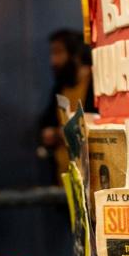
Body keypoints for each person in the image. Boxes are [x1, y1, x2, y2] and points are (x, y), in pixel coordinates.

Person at [39, 29, 95, 183]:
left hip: (91, 180)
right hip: (63, 181)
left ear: (75, 54)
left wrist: (58, 134)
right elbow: (46, 124)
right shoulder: (59, 87)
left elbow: (93, 128)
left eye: (58, 53)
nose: (53, 61)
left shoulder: (95, 84)